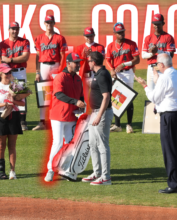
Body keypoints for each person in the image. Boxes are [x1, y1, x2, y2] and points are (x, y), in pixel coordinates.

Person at [135, 53, 177, 194]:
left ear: (162, 65)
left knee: (169, 151)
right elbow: (169, 93)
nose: (156, 66)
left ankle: (174, 184)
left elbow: (154, 97)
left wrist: (145, 85)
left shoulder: (165, 78)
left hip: (169, 116)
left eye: (157, 64)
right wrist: (158, 81)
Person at [44, 53, 85, 182]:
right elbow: (59, 94)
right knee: (57, 142)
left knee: (70, 144)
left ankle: (66, 170)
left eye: (79, 62)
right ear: (68, 63)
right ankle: (50, 169)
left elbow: (81, 96)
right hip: (58, 115)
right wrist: (75, 102)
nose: (78, 64)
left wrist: (82, 104)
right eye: (76, 62)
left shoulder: (78, 79)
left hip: (72, 116)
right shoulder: (60, 77)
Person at [82, 51, 113, 186]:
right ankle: (97, 172)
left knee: (102, 145)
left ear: (93, 62)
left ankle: (106, 177)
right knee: (93, 144)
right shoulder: (98, 74)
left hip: (101, 113)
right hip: (94, 113)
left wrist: (99, 116)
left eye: (89, 61)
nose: (88, 63)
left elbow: (106, 97)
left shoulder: (102, 75)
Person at [0, 63, 25, 180]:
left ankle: (12, 172)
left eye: (10, 72)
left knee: (12, 145)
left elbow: (23, 103)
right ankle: (0, 171)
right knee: (1, 145)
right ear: (0, 73)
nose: (9, 74)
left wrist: (13, 101)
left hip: (14, 116)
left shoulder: (16, 86)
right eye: (6, 72)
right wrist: (6, 103)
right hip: (0, 117)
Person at [33, 14, 68, 130]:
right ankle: (42, 121)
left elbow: (63, 55)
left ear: (54, 23)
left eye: (51, 22)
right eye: (47, 23)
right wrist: (37, 71)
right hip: (43, 66)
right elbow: (37, 56)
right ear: (44, 24)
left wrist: (61, 69)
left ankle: (57, 119)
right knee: (42, 93)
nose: (49, 25)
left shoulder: (60, 38)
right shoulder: (39, 38)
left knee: (58, 92)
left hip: (56, 65)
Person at [106, 22, 140, 133]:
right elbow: (107, 59)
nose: (121, 34)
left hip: (127, 73)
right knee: (116, 99)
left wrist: (124, 64)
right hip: (116, 74)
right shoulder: (111, 46)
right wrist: (111, 69)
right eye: (119, 32)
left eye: (123, 31)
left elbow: (137, 59)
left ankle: (129, 124)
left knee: (128, 98)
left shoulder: (131, 44)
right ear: (114, 33)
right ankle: (117, 125)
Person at [0, 21, 31, 131]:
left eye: (16, 29)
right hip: (8, 71)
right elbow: (3, 59)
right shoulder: (3, 43)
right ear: (8, 30)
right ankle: (8, 118)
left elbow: (25, 57)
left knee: (21, 95)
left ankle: (22, 121)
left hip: (20, 71)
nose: (14, 31)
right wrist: (7, 69)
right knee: (8, 95)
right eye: (12, 29)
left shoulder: (25, 41)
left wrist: (11, 59)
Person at [142, 14, 175, 90]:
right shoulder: (148, 38)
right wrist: (152, 53)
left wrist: (158, 51)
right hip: (151, 68)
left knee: (164, 92)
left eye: (158, 24)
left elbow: (171, 55)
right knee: (151, 93)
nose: (156, 26)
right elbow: (143, 55)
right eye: (155, 24)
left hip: (164, 68)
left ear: (163, 24)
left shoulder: (168, 37)